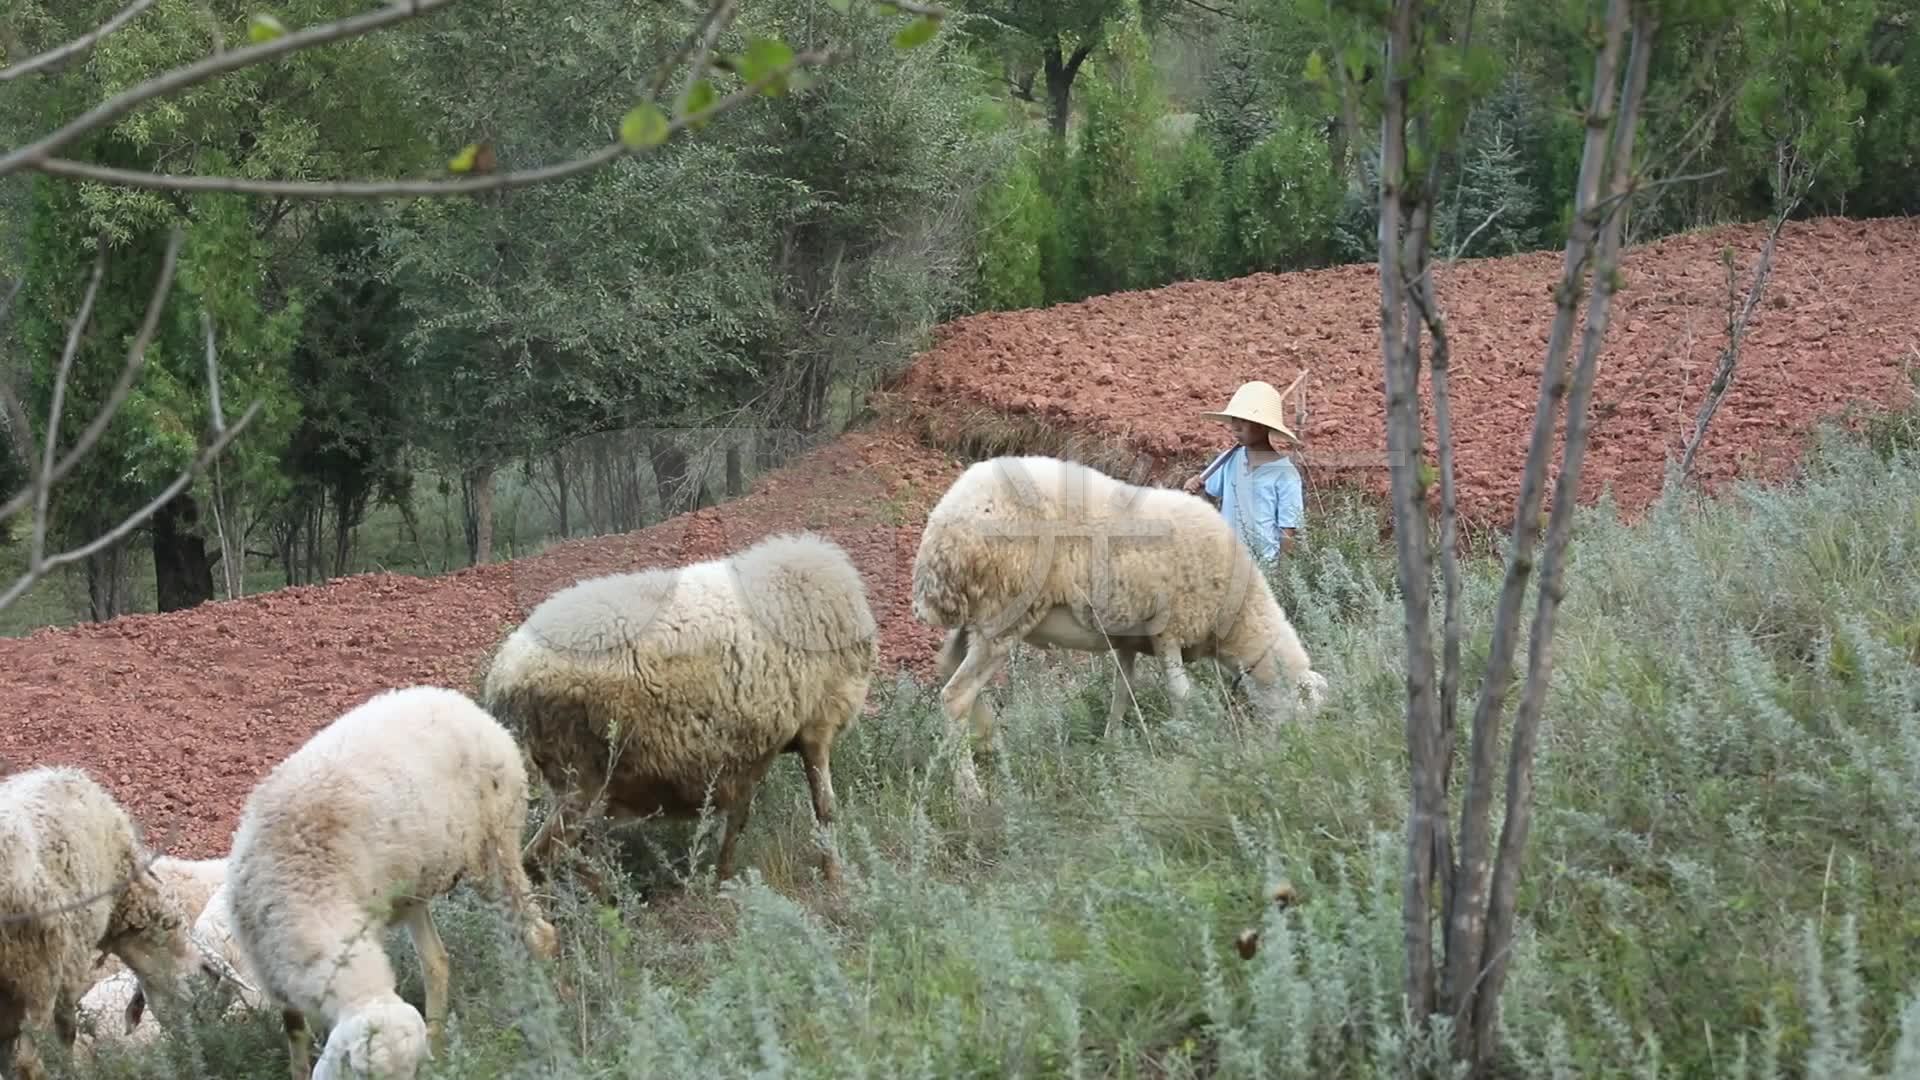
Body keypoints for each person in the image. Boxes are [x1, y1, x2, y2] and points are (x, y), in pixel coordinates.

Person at [1180, 379, 1304, 564]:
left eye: (1244, 421)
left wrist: (1283, 577)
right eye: (1234, 420)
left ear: (1262, 426)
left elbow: (1288, 530)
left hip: (1263, 568)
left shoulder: (1285, 474)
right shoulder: (1229, 460)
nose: (1235, 427)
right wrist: (1194, 486)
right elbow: (1209, 492)